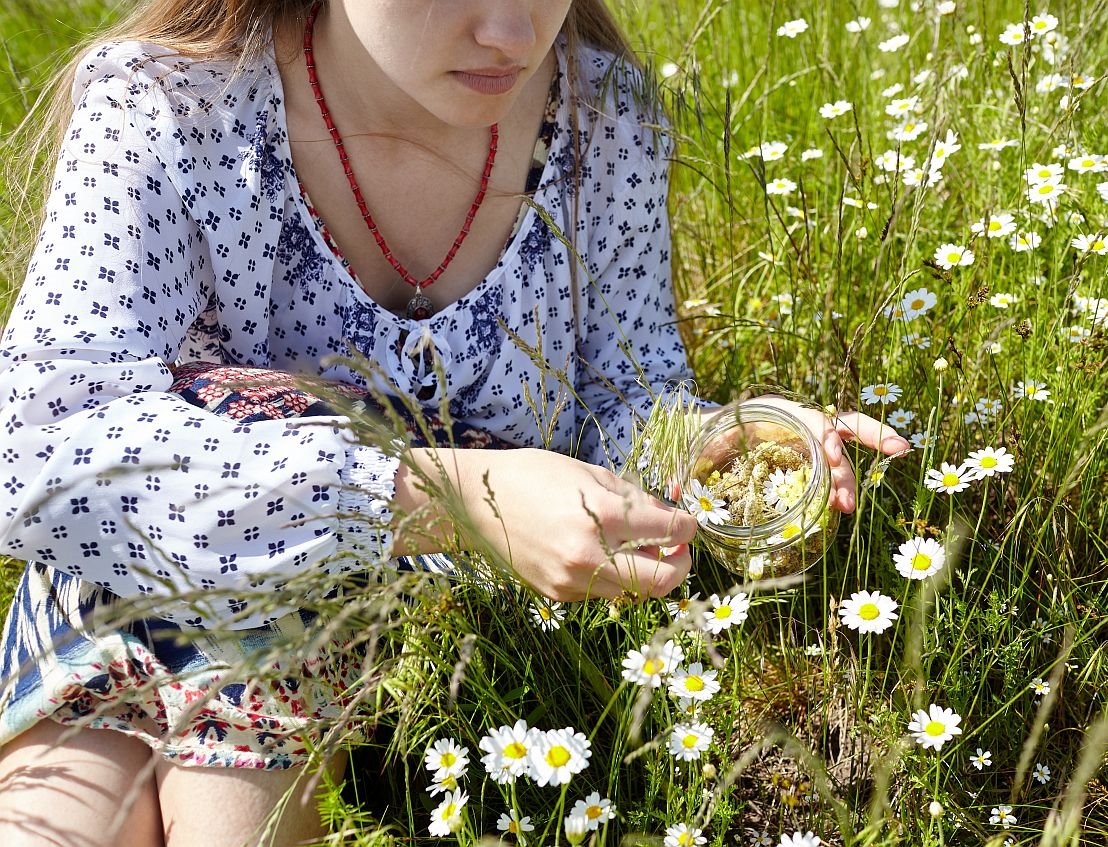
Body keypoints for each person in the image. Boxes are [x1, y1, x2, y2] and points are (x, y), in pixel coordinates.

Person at [0, 1, 911, 844]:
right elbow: (32, 450)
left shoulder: (602, 116)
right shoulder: (171, 106)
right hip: (147, 577)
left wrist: (711, 447)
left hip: (402, 638)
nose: (513, 32)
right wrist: (452, 497)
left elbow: (617, 397)